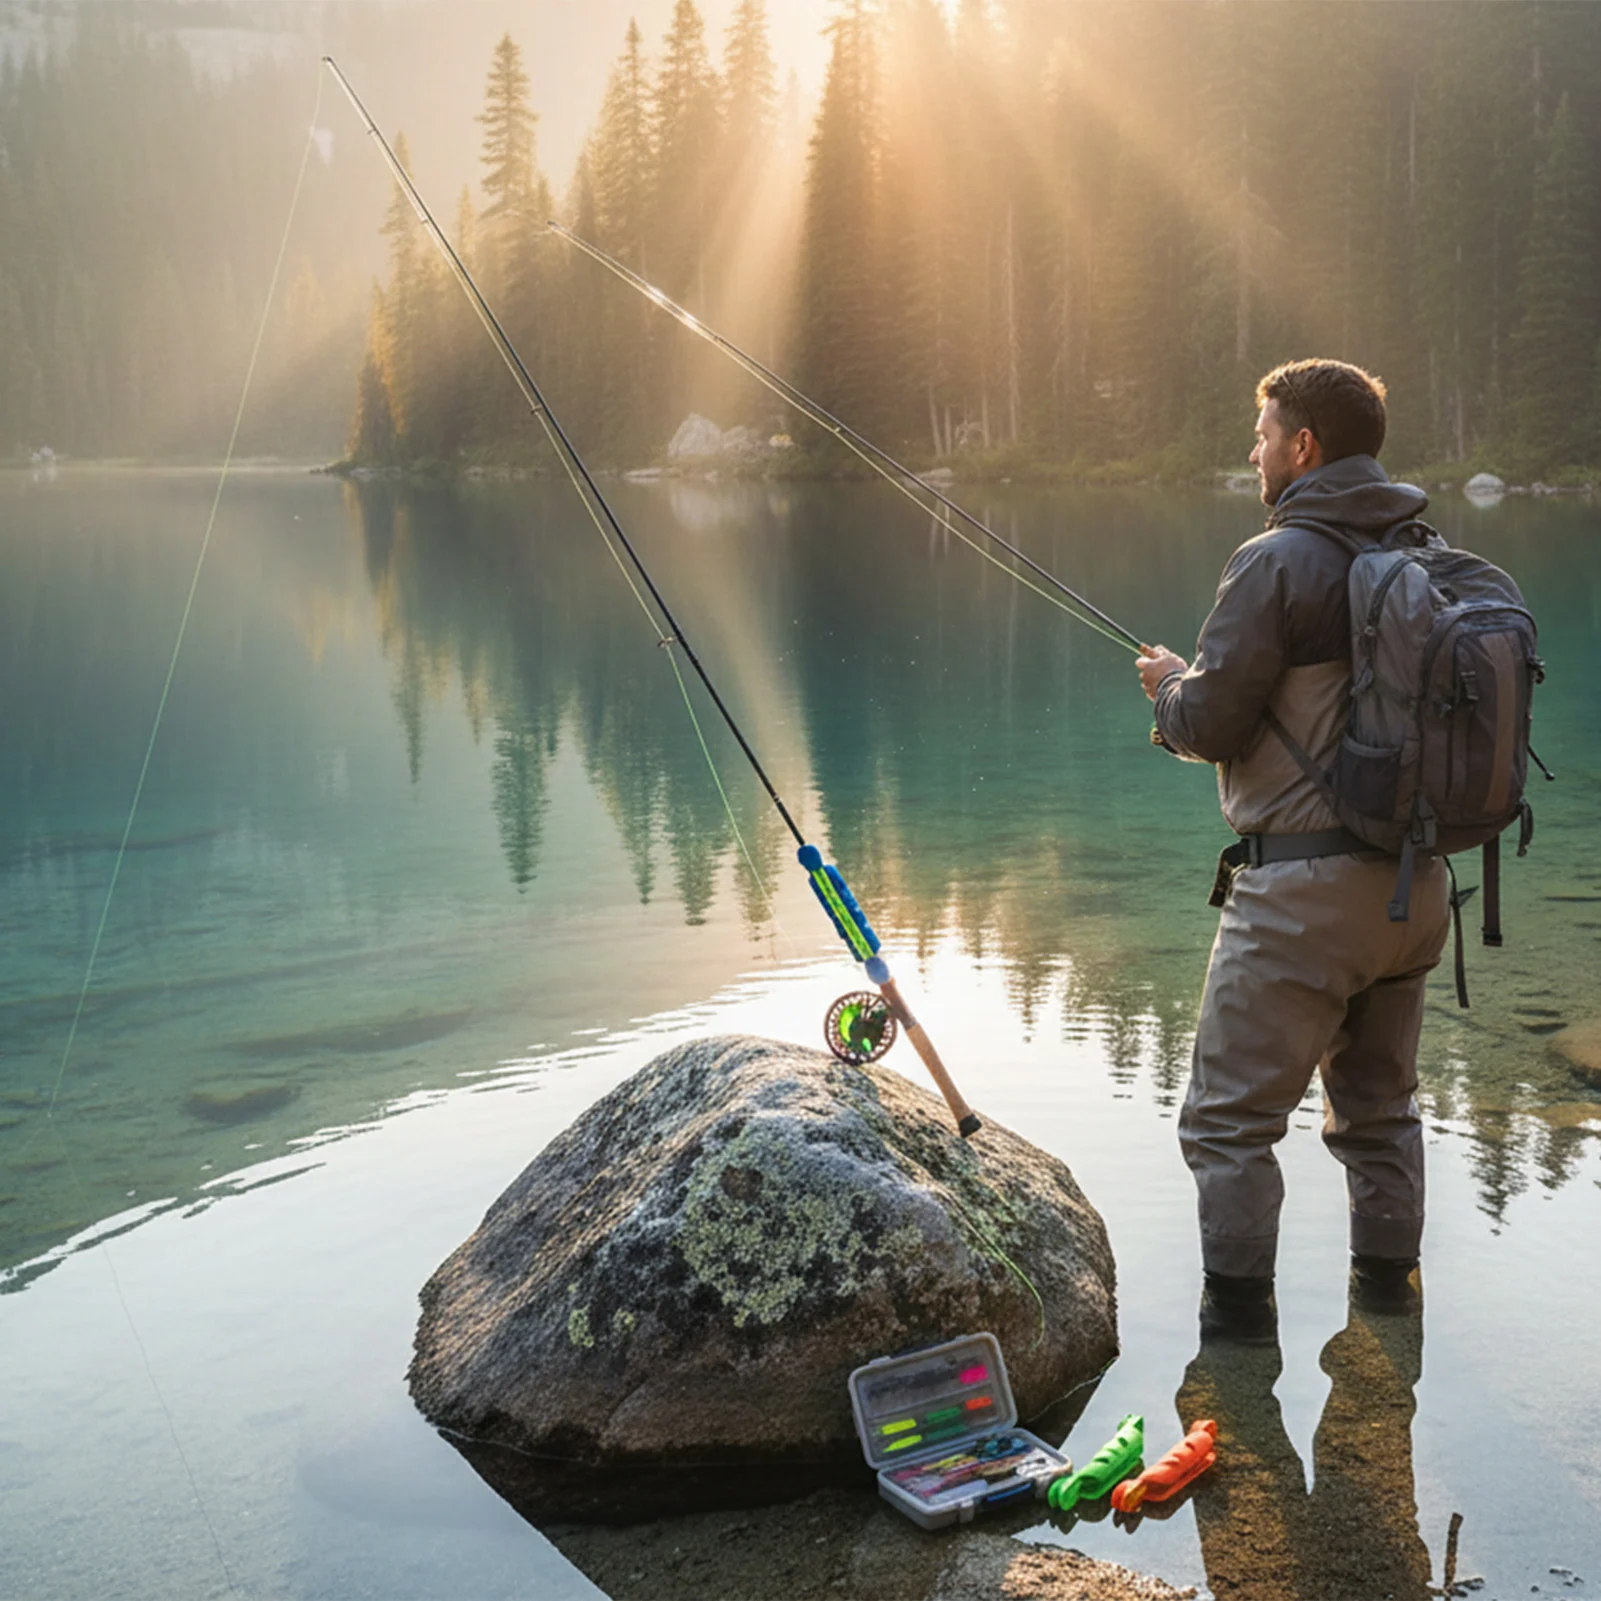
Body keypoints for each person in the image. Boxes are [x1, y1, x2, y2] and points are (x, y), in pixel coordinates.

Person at [1137, 358, 1449, 1342]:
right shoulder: (1423, 553)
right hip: (1415, 886)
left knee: (1225, 1125)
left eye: (1262, 431)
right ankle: (1388, 1315)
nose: (1252, 448)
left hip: (1301, 897)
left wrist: (1166, 686)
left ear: (1302, 447)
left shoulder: (1274, 560)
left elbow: (1211, 723)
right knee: (1379, 1115)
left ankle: (1235, 1348)